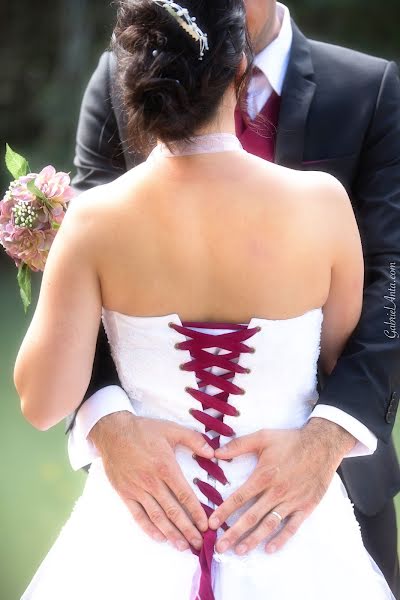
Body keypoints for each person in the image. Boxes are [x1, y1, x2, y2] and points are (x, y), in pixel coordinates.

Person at [14, 1, 397, 598]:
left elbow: (41, 403)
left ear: (136, 78)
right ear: (239, 64)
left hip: (134, 542)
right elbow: (335, 358)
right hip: (290, 542)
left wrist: (60, 268)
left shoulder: (94, 221)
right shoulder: (322, 204)